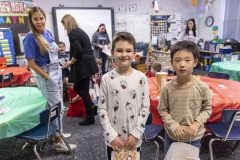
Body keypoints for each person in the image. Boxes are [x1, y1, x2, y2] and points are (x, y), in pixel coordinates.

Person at [23, 6, 76, 152]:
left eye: (41, 18)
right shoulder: (30, 37)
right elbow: (31, 63)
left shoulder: (47, 32)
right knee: (57, 107)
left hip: (56, 71)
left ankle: (57, 133)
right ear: (31, 20)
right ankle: (59, 142)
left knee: (58, 106)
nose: (39, 21)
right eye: (36, 19)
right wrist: (46, 76)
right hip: (46, 75)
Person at [98, 32, 150, 160]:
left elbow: (145, 108)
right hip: (113, 140)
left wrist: (136, 134)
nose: (124, 55)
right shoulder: (106, 79)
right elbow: (102, 109)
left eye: (128, 51)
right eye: (119, 50)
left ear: (134, 53)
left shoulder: (141, 78)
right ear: (112, 52)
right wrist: (111, 135)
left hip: (134, 139)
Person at [157, 40, 212, 157]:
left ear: (195, 62)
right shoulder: (166, 88)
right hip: (172, 136)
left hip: (194, 138)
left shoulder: (202, 87)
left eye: (187, 60)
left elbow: (207, 109)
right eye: (177, 60)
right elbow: (163, 110)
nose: (182, 64)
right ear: (171, 63)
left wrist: (196, 124)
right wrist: (174, 125)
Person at [61, 14, 99, 125]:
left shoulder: (72, 32)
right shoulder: (79, 31)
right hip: (87, 63)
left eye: (64, 25)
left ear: (67, 23)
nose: (64, 28)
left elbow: (78, 50)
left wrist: (70, 62)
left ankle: (90, 117)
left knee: (83, 91)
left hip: (83, 64)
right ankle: (92, 108)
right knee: (78, 87)